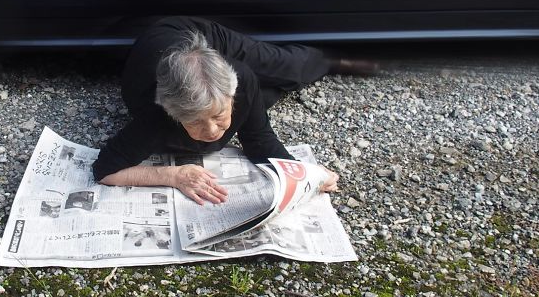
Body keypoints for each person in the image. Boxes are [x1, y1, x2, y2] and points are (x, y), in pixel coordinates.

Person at [93, 17, 374, 204]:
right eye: (195, 121)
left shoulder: (241, 78)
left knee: (287, 67)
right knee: (266, 97)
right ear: (173, 112)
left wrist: (304, 174)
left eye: (218, 116)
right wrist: (173, 175)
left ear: (232, 91)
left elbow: (260, 141)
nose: (212, 132)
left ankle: (333, 58)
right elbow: (104, 170)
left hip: (200, 38)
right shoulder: (157, 112)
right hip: (166, 46)